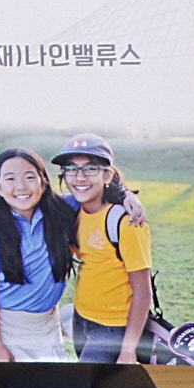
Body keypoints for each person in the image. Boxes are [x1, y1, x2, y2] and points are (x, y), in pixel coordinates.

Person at [55, 135, 153, 365]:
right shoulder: (74, 212)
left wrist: (128, 351)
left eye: (90, 168)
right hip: (81, 318)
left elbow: (143, 292)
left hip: (113, 328)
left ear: (107, 175)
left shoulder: (126, 222)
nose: (80, 177)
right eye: (71, 169)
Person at [0, 147, 75, 362]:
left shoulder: (63, 210)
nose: (21, 186)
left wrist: (128, 197)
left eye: (29, 177)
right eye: (10, 179)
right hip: (9, 329)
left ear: (43, 182)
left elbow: (101, 195)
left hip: (49, 325)